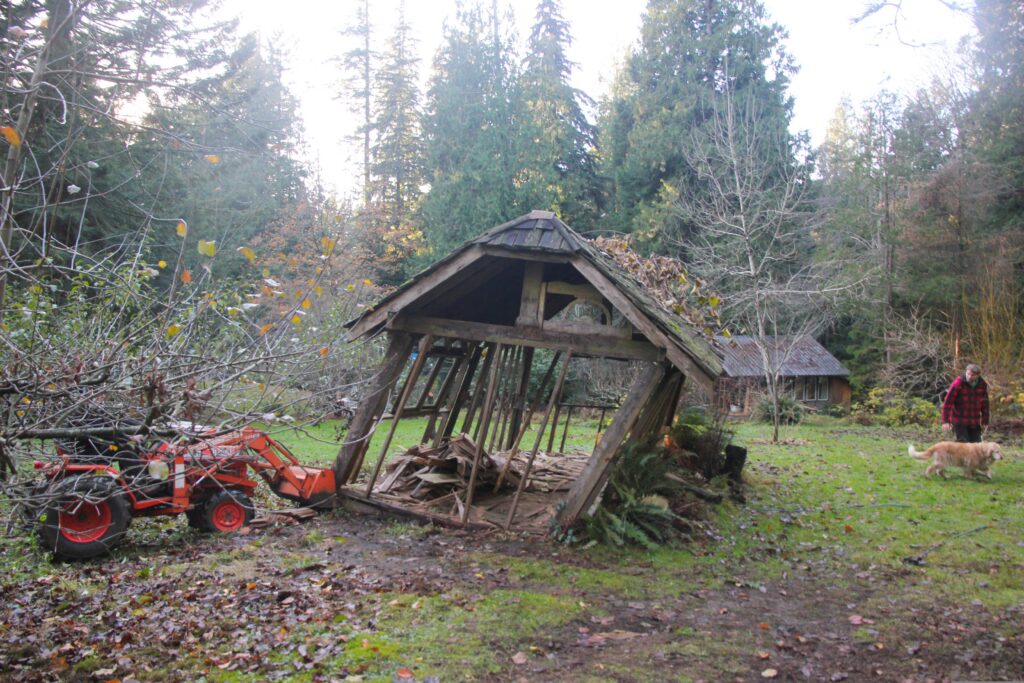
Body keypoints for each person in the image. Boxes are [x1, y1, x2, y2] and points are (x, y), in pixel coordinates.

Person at [940, 363, 989, 443]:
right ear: (966, 372)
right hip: (959, 421)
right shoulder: (958, 383)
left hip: (974, 421)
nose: (969, 376)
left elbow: (985, 405)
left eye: (972, 375)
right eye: (968, 374)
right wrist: (945, 421)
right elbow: (947, 403)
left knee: (976, 446)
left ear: (978, 375)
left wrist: (985, 421)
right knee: (962, 446)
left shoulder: (982, 385)